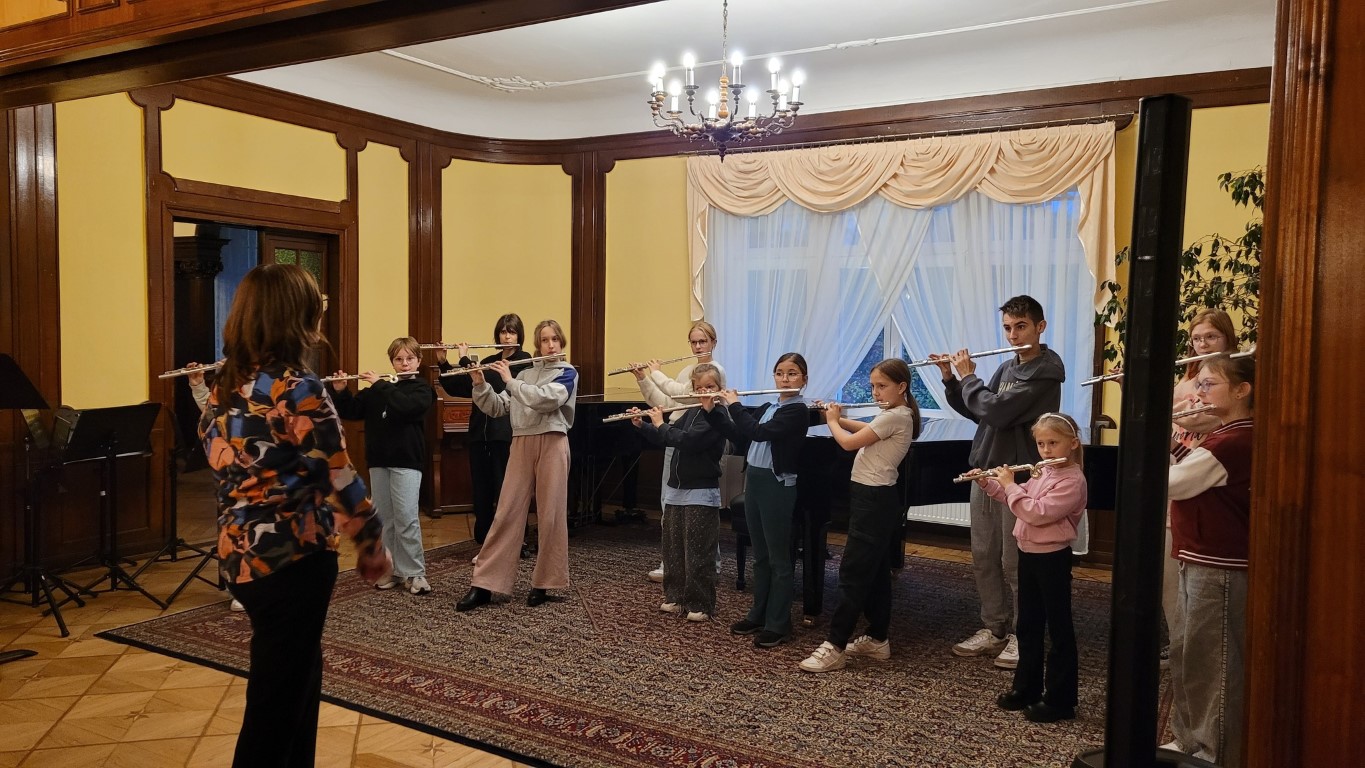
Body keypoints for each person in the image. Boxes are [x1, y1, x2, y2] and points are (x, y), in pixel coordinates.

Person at [198, 263, 390, 768]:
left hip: (239, 556)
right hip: (292, 558)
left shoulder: (222, 384)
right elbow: (338, 474)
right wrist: (371, 542)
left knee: (299, 681)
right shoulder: (297, 386)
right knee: (275, 708)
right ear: (296, 315)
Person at [936, 295, 1065, 670]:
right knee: (983, 556)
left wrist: (968, 377)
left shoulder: (1046, 373)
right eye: (1008, 328)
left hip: (1019, 478)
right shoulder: (1008, 367)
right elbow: (978, 411)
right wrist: (951, 379)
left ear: (1040, 327)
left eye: (1020, 327)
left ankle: (1024, 635)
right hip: (986, 473)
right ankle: (993, 628)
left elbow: (997, 410)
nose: (1012, 335)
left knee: (1014, 563)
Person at [798, 359, 921, 673]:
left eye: (882, 386)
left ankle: (835, 645)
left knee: (852, 574)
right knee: (876, 571)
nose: (876, 392)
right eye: (873, 386)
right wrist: (834, 415)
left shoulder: (896, 415)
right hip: (872, 498)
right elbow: (865, 431)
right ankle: (878, 638)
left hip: (874, 501)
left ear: (902, 387)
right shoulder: (894, 414)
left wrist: (832, 421)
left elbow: (848, 443)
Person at [1162, 354, 1253, 766]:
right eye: (1198, 384)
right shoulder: (1221, 436)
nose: (1197, 394)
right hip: (1197, 556)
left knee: (1213, 661)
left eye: (1208, 385)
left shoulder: (1234, 439)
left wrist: (1173, 427)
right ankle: (1188, 740)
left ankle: (1215, 753)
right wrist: (1181, 435)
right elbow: (1185, 467)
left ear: (1242, 390)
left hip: (1219, 566)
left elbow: (1173, 482)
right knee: (1186, 652)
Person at [456, 319, 578, 611]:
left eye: (555, 339)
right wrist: (480, 383)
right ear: (537, 344)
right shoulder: (525, 373)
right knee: (506, 512)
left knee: (550, 515)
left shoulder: (568, 372)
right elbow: (497, 406)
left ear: (561, 343)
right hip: (522, 441)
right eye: (545, 340)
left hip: (552, 441)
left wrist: (511, 381)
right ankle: (484, 584)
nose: (550, 345)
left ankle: (544, 583)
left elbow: (547, 400)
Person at [975, 413, 1087, 722]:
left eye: (1053, 443)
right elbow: (1019, 499)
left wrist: (1010, 485)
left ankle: (1061, 701)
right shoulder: (1043, 472)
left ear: (1073, 443)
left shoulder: (1072, 481)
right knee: (1028, 624)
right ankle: (1027, 688)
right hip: (1028, 554)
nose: (1046, 450)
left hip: (1053, 558)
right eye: (1041, 444)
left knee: (1059, 628)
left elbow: (1035, 513)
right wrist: (989, 484)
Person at [702, 353, 809, 648]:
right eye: (779, 373)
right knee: (760, 555)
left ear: (804, 379)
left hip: (777, 485)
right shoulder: (768, 407)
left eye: (792, 373)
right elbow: (741, 434)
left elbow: (759, 433)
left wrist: (734, 404)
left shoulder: (797, 410)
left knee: (778, 558)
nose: (784, 379)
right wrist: (712, 411)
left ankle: (779, 623)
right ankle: (758, 614)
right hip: (756, 481)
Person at [1161, 308, 1238, 665]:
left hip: (1208, 481)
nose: (1202, 344)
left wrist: (1180, 412)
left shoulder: (1234, 382)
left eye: (1211, 337)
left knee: (1202, 589)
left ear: (1227, 339)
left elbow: (1211, 421)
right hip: (1179, 469)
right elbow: (1174, 430)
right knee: (1170, 579)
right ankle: (1179, 646)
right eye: (1196, 339)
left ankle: (1195, 656)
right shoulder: (1186, 382)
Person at [330, 337, 435, 595]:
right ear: (392, 362)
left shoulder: (422, 389)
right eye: (399, 359)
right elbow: (353, 410)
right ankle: (394, 571)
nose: (404, 363)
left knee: (406, 518)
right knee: (385, 520)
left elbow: (406, 407)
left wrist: (379, 384)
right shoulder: (380, 389)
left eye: (409, 358)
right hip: (379, 462)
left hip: (407, 461)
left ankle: (415, 573)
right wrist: (341, 391)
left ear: (418, 361)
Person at [629, 320, 725, 583]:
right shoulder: (686, 371)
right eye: (694, 342)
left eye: (703, 341)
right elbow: (667, 403)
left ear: (713, 343)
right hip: (675, 435)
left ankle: (708, 564)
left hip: (694, 442)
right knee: (669, 502)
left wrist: (656, 373)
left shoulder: (715, 370)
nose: (698, 347)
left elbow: (683, 393)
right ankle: (672, 561)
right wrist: (643, 379)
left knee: (701, 512)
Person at [435, 314, 532, 545]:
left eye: (512, 332)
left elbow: (497, 385)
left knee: (506, 490)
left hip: (505, 435)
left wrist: (465, 360)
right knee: (481, 489)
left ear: (519, 335)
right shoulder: (489, 360)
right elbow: (459, 386)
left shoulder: (523, 361)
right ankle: (485, 538)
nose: (507, 336)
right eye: (503, 332)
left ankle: (514, 539)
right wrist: (443, 362)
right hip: (480, 433)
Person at [185, 362, 245, 613]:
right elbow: (210, 419)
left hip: (267, 468)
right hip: (231, 468)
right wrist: (199, 386)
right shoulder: (226, 383)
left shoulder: (273, 382)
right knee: (233, 526)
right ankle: (238, 587)